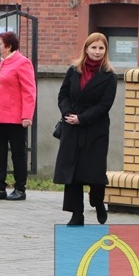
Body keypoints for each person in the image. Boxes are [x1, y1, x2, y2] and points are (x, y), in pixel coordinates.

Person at [52, 32, 117, 227]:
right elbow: (63, 95)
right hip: (71, 127)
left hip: (95, 129)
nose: (97, 52)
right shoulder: (74, 70)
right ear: (86, 49)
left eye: (101, 48)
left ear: (106, 50)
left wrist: (83, 118)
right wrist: (68, 114)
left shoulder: (109, 76)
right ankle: (76, 214)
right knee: (72, 173)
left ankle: (97, 202)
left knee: (94, 172)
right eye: (93, 47)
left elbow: (105, 105)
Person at [0, 31, 37, 201]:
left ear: (8, 46)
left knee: (18, 153)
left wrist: (27, 115)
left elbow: (29, 91)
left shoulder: (22, 62)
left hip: (15, 118)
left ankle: (20, 188)